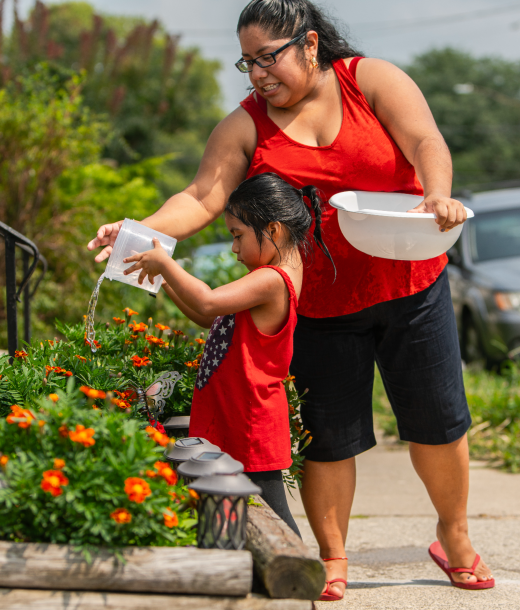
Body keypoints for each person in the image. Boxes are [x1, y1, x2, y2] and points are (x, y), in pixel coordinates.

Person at [88, 0, 494, 599]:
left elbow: (426, 141)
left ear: (308, 44)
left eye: (267, 57)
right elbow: (202, 196)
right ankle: (332, 557)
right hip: (319, 304)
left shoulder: (370, 79)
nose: (257, 74)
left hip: (411, 282)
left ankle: (454, 538)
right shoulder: (247, 123)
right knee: (329, 435)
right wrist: (137, 232)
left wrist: (437, 194)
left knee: (437, 423)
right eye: (247, 62)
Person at [121, 173, 334, 537]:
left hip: (252, 421)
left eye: (238, 235)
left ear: (274, 230)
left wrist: (166, 263)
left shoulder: (272, 279)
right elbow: (207, 315)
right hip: (235, 413)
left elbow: (207, 299)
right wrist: (163, 279)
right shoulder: (265, 277)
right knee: (241, 511)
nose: (234, 249)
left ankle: (300, 582)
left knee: (272, 517)